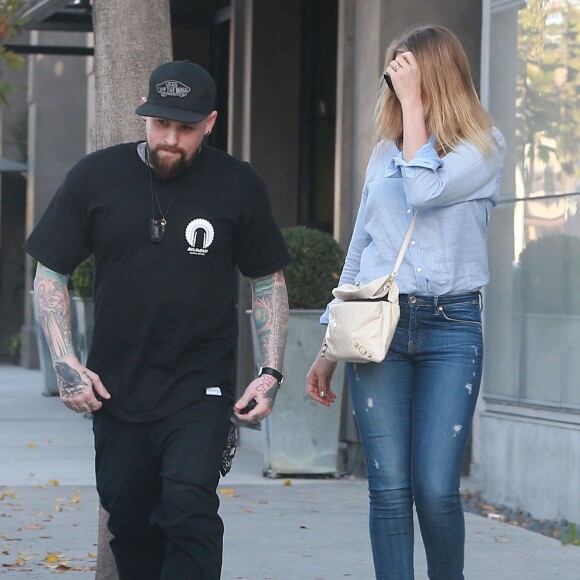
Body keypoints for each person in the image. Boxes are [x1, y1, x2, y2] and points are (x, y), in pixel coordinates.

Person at [25, 60, 290, 580]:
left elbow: (267, 282)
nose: (170, 138)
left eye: (185, 128)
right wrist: (65, 363)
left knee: (189, 510)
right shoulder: (95, 177)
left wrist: (270, 371)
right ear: (144, 116)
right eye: (160, 123)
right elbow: (50, 272)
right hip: (116, 386)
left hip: (199, 387)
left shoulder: (238, 184)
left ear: (209, 123)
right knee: (130, 522)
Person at [306, 26, 505, 580]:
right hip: (378, 328)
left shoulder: (483, 149)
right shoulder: (381, 154)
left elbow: (424, 189)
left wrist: (415, 103)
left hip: (451, 327)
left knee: (436, 490)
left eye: (406, 76)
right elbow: (362, 250)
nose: (394, 88)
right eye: (393, 78)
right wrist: (328, 345)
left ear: (435, 78)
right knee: (389, 491)